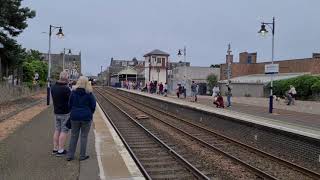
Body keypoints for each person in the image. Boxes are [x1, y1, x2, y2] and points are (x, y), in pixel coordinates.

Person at [67, 76, 96, 161]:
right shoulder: (89, 94)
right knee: (84, 136)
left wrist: (73, 111)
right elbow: (93, 106)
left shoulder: (73, 93)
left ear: (78, 82)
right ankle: (82, 156)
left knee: (73, 136)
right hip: (86, 117)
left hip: (74, 116)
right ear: (87, 83)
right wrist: (90, 113)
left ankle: (70, 155)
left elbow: (69, 104)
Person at [51, 71, 71, 156]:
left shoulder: (53, 87)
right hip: (65, 113)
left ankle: (55, 149)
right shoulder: (66, 89)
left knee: (57, 130)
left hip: (56, 112)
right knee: (64, 131)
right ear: (67, 78)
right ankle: (61, 150)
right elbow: (71, 100)